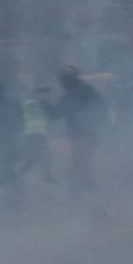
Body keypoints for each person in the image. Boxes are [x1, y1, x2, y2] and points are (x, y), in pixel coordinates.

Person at [50, 65, 109, 194]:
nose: (61, 83)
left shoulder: (80, 91)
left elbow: (102, 107)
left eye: (63, 80)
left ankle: (81, 190)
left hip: (86, 133)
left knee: (81, 161)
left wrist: (88, 116)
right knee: (81, 160)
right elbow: (56, 113)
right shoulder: (75, 91)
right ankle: (83, 187)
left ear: (68, 79)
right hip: (79, 133)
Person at [0, 82, 25, 208]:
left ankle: (13, 197)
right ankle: (14, 194)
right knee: (7, 170)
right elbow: (21, 121)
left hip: (7, 142)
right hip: (9, 141)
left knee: (2, 171)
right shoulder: (10, 103)